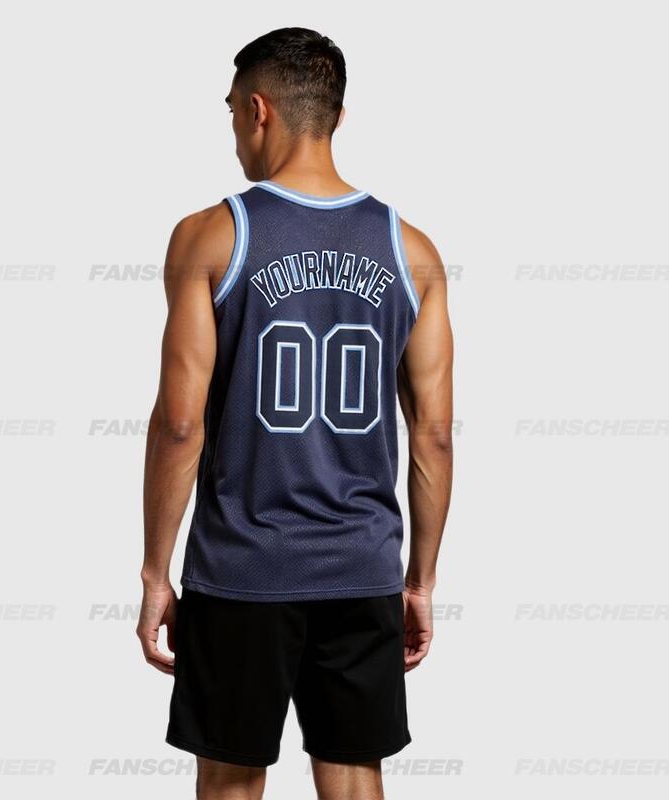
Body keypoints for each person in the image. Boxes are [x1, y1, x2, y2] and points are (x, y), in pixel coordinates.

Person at [137, 27, 453, 800]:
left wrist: (154, 571)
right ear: (335, 116)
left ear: (258, 110)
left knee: (231, 779)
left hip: (241, 569)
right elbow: (435, 437)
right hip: (361, 567)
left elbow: (180, 424)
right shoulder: (413, 251)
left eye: (231, 114)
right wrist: (418, 580)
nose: (234, 136)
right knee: (353, 775)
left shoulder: (209, 237)